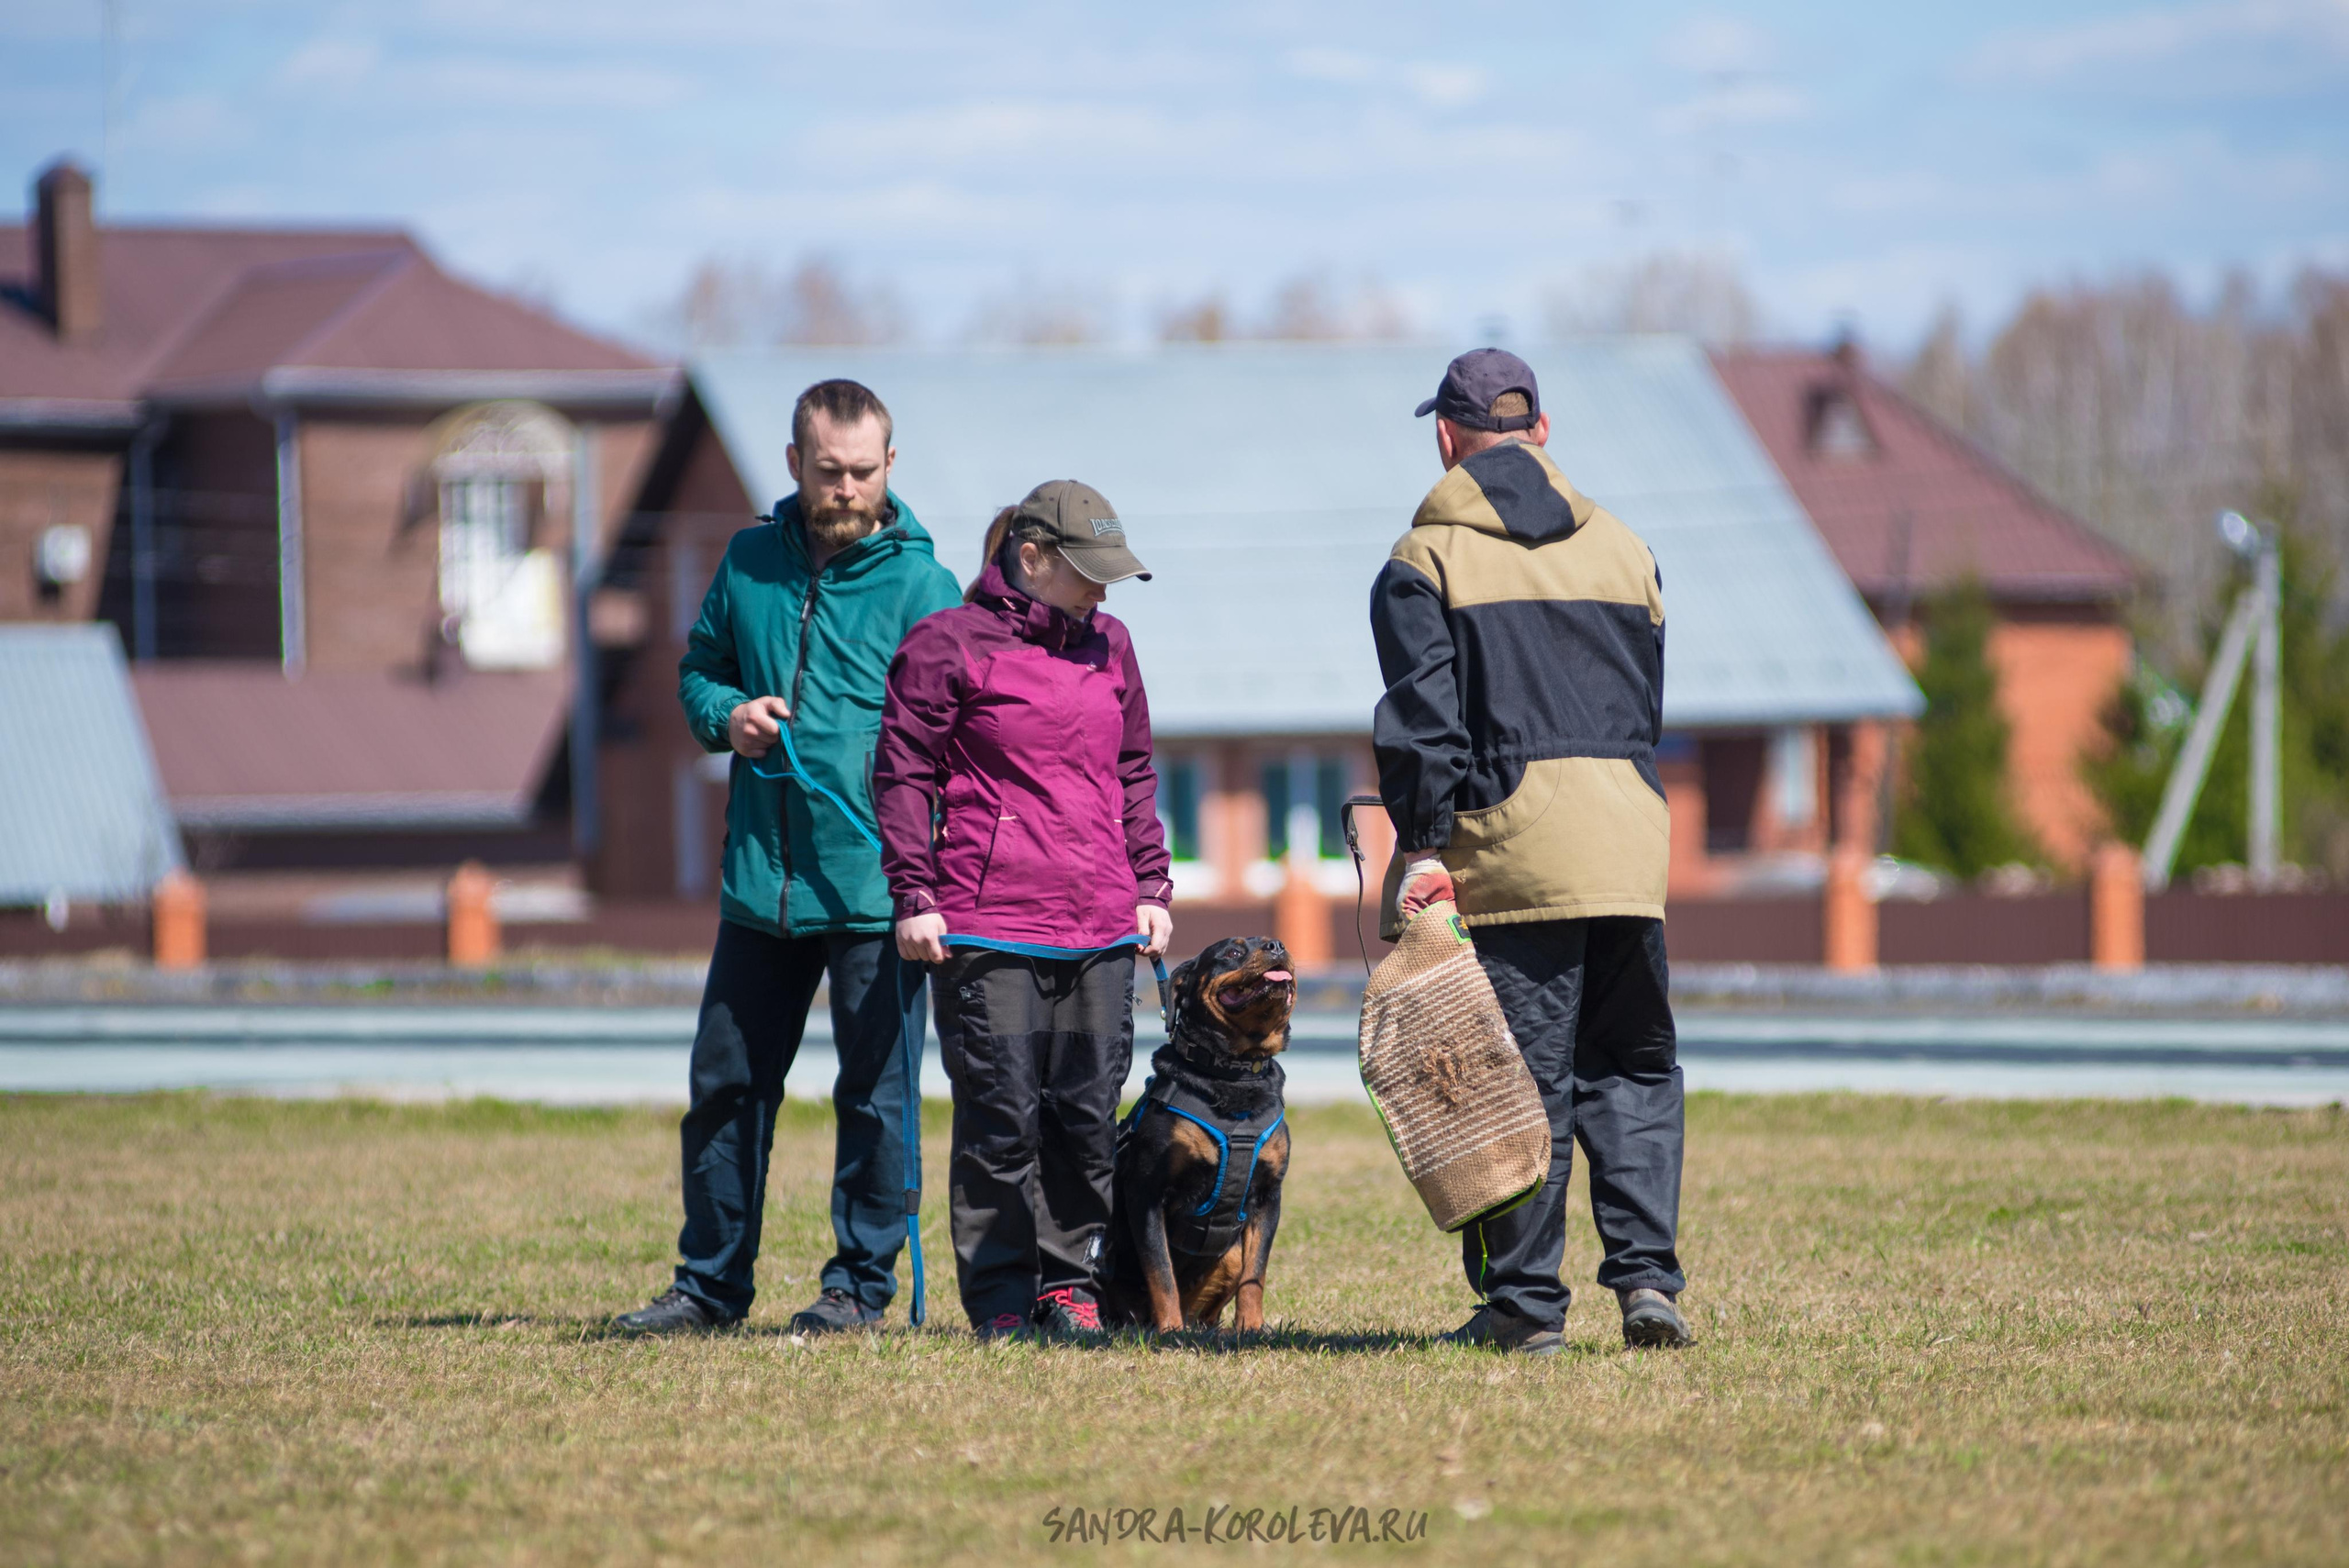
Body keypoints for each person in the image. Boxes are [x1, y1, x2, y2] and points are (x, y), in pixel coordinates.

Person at [614, 380, 962, 1337]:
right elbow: (697, 670)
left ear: (890, 466)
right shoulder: (747, 561)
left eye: (860, 471)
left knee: (875, 1096)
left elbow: (958, 739)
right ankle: (709, 1285)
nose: (844, 488)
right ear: (793, 465)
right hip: (758, 884)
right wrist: (726, 717)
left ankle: (857, 1286)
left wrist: (928, 877)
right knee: (724, 1084)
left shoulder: (926, 589)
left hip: (876, 888)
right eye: (826, 471)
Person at [1370, 348, 1694, 1354]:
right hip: (1630, 842)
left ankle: (1524, 1305)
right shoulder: (1628, 547)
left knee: (1518, 1081)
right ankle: (1646, 1281)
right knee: (1633, 1067)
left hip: (1511, 852)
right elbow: (1643, 706)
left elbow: (1425, 726)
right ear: (1542, 431)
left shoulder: (1423, 560)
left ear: (1446, 439)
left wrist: (1421, 845)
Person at [873, 480, 1174, 1342]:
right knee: (1002, 1117)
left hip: (1102, 927)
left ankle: (1067, 1287)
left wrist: (1151, 884)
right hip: (986, 924)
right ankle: (1003, 1298)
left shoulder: (1111, 646)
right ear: (1032, 559)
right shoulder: (946, 646)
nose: (1104, 592)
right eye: (1088, 572)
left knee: (1085, 1116)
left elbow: (1135, 770)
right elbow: (902, 775)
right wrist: (914, 894)